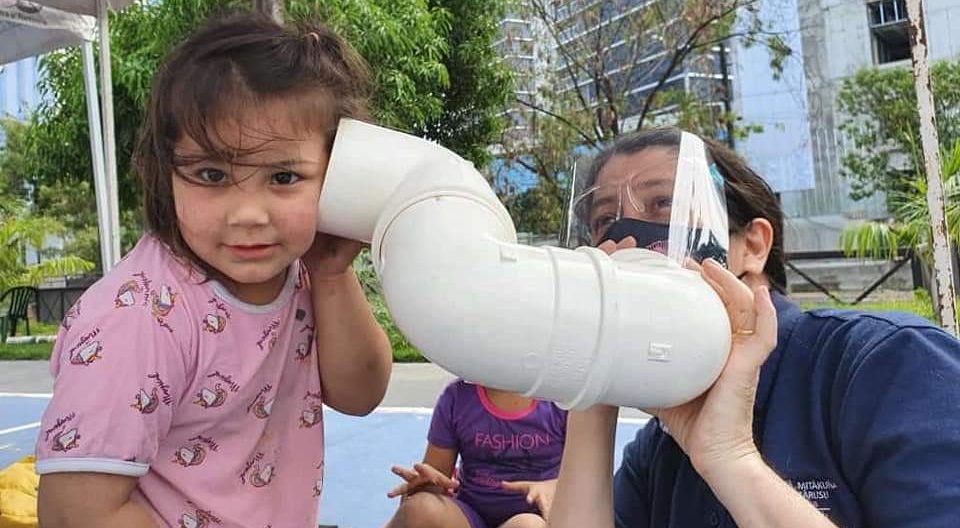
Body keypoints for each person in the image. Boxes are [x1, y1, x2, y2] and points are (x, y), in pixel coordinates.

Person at [34, 13, 392, 528]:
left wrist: (334, 276)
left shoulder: (305, 273)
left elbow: (360, 394)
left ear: (339, 177)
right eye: (211, 174)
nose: (248, 214)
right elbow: (76, 513)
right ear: (166, 172)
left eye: (284, 177)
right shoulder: (141, 316)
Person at [550, 128, 960, 528]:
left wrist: (731, 458)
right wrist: (594, 387)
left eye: (664, 204)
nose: (627, 241)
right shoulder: (660, 444)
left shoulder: (887, 364)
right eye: (605, 220)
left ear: (753, 245)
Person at [386, 380, 567, 528]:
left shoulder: (561, 400)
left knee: (529, 526)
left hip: (534, 514)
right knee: (420, 510)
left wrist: (554, 486)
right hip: (469, 514)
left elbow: (582, 479)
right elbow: (437, 478)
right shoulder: (457, 397)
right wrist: (423, 487)